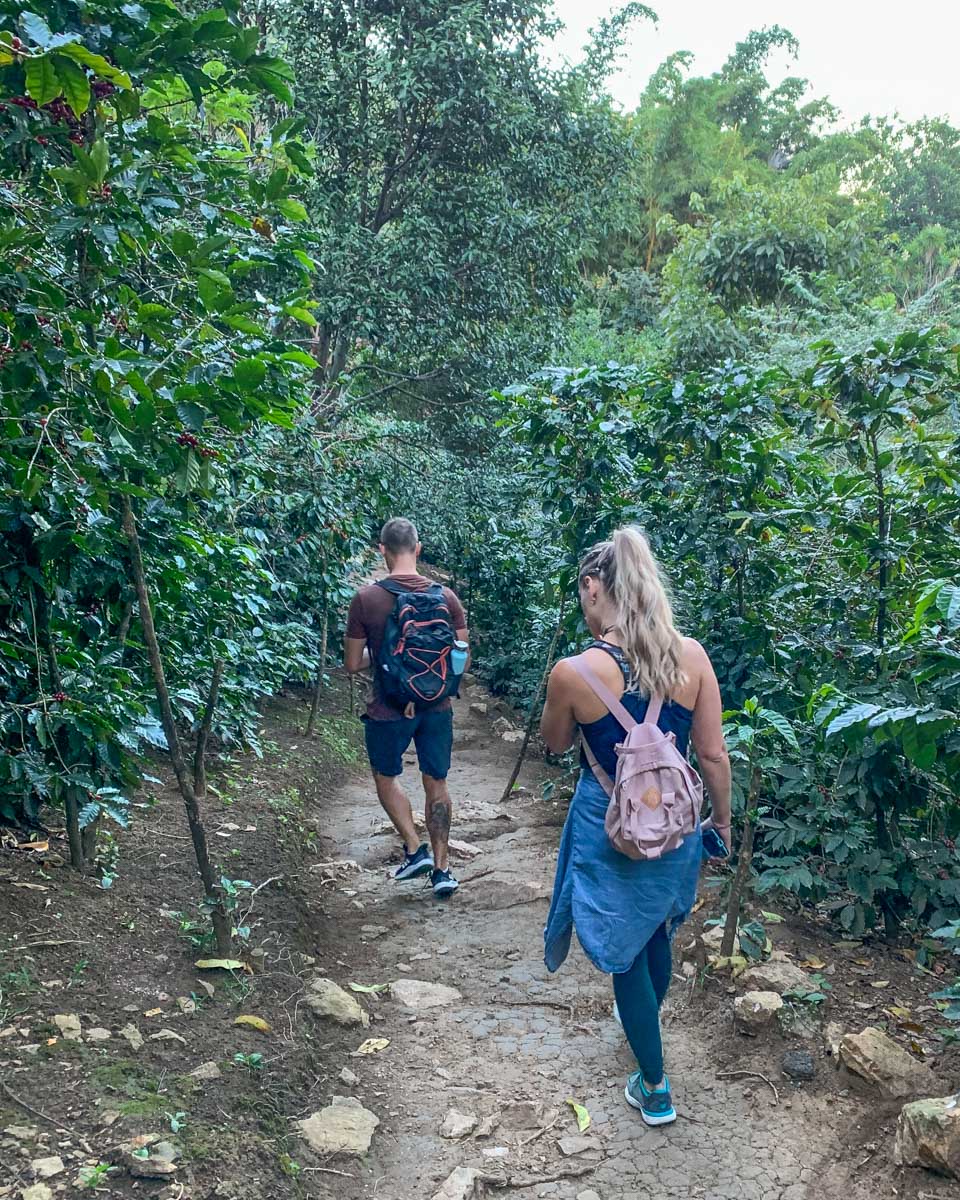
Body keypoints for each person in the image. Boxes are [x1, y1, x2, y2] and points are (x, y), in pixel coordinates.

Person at [540, 527, 732, 1127]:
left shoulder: (573, 672)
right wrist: (720, 821)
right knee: (655, 935)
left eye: (583, 593)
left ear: (594, 587)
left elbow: (555, 744)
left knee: (626, 955)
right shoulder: (691, 656)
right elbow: (714, 755)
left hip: (609, 825)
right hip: (676, 824)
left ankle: (655, 1088)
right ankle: (644, 1029)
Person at [344, 517, 469, 899]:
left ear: (382, 550)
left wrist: (385, 653)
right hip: (437, 707)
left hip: (388, 707)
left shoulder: (366, 599)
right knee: (437, 782)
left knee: (386, 777)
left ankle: (415, 850)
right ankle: (444, 870)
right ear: (418, 548)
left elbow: (352, 663)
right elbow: (461, 656)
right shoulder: (446, 598)